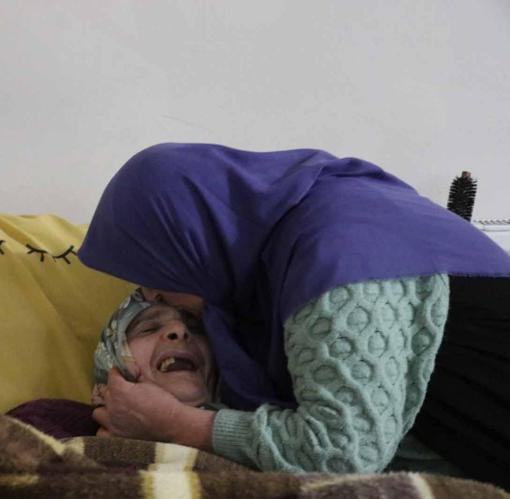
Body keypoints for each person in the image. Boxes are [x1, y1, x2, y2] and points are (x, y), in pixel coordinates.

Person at [78, 143, 510, 488]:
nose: (154, 295)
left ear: (190, 235)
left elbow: (343, 452)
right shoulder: (269, 285)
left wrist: (175, 424)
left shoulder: (334, 254)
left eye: (153, 269)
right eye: (148, 322)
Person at [8, 289, 219, 439]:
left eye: (195, 328)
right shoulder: (48, 423)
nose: (180, 331)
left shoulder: (240, 439)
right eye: (149, 329)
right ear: (110, 362)